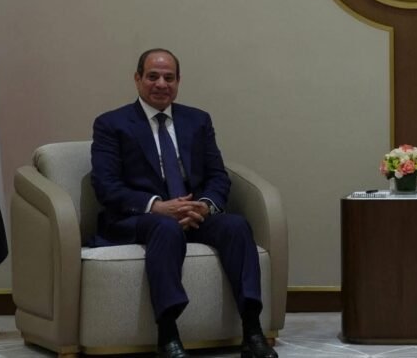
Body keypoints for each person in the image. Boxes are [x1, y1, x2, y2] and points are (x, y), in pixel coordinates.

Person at [91, 49, 278, 358]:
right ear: (137, 79)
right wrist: (157, 206)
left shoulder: (197, 120)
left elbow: (218, 176)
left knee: (236, 226)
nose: (161, 84)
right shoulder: (112, 124)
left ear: (178, 81)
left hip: (194, 213)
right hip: (142, 218)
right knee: (166, 228)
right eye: (153, 76)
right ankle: (168, 336)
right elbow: (106, 185)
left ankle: (253, 331)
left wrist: (204, 205)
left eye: (169, 77)